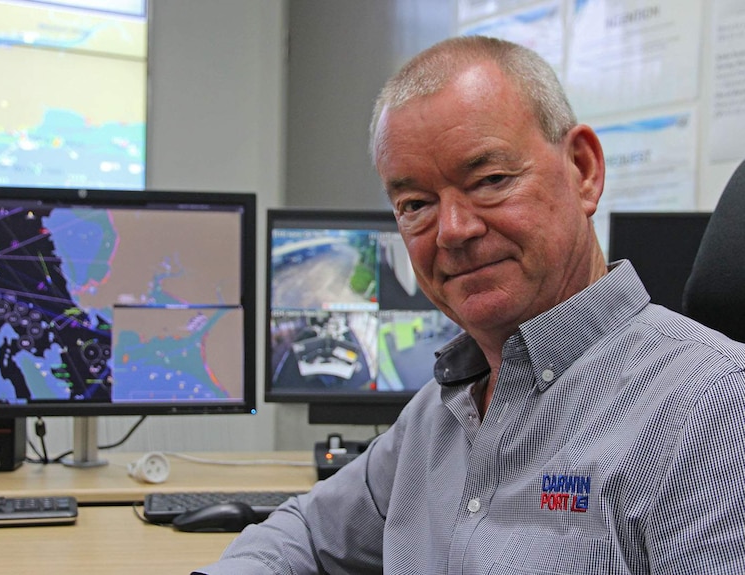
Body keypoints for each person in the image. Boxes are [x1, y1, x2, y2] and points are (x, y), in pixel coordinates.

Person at [195, 35, 745, 574]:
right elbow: (304, 534)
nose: (453, 231)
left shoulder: (710, 408)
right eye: (415, 204)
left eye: (491, 180)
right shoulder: (439, 414)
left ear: (583, 170)